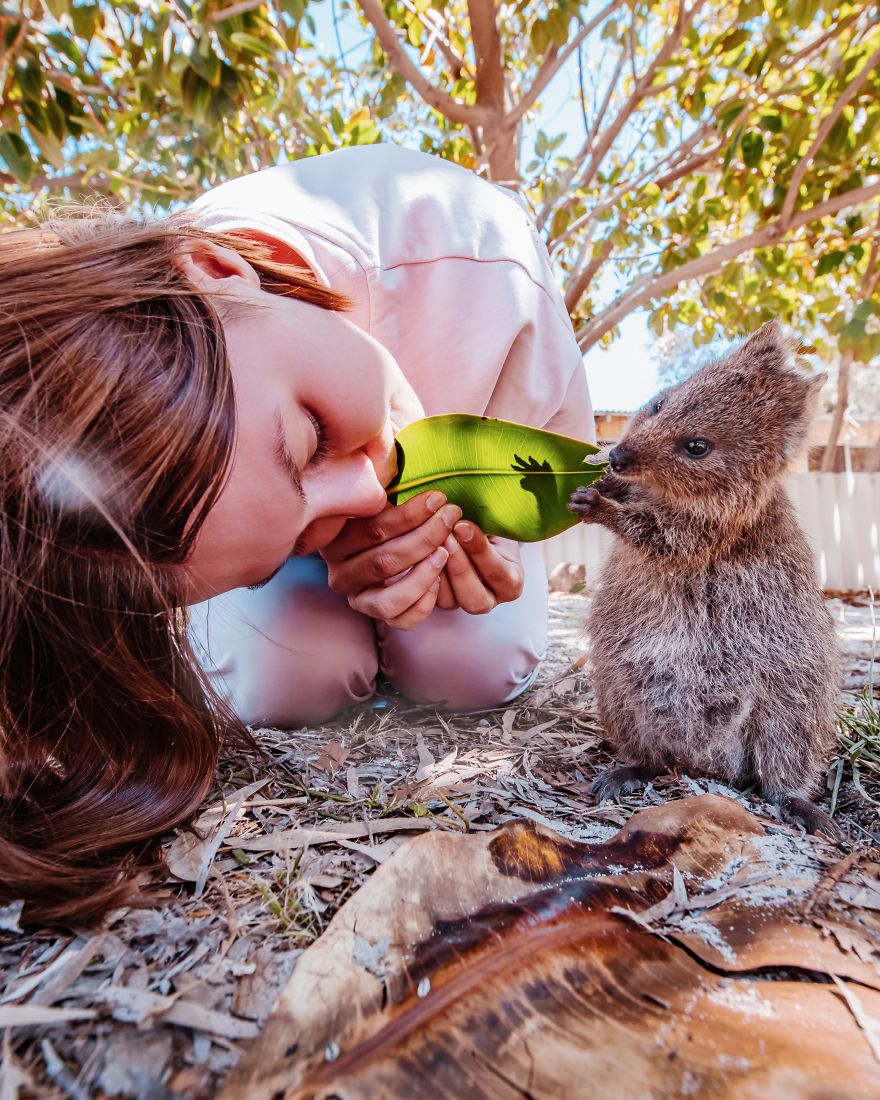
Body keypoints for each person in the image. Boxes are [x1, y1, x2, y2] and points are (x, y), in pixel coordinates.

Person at [0, 143, 593, 925]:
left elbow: (564, 481)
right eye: (271, 554)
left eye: (310, 436)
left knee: (471, 665)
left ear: (215, 270)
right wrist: (307, 542)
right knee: (279, 684)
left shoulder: (484, 266)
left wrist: (482, 547)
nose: (365, 490)